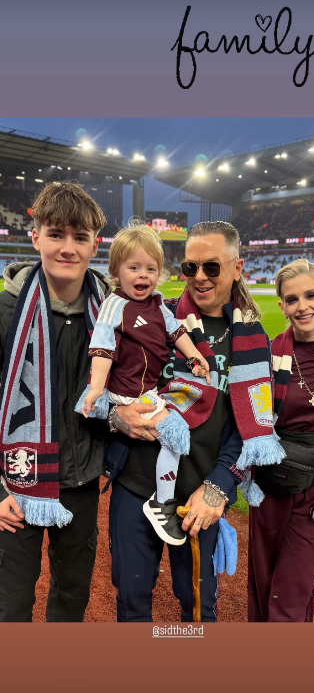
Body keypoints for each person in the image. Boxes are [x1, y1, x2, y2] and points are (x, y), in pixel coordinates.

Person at [107, 221, 284, 622]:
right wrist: (116, 417)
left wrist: (219, 488)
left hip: (199, 498)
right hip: (136, 485)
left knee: (198, 607)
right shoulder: (154, 317)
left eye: (212, 267)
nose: (199, 278)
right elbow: (106, 389)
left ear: (237, 268)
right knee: (131, 600)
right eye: (190, 268)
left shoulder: (254, 341)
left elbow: (252, 426)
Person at [0, 182, 110, 621]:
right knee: (11, 604)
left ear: (94, 244)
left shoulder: (112, 315)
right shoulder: (7, 312)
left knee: (71, 600)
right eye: (56, 234)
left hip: (82, 486)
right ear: (35, 237)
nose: (68, 247)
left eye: (80, 237)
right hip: (16, 485)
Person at [76, 221, 210, 545]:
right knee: (174, 432)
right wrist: (96, 388)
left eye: (150, 268)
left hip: (147, 393)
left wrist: (194, 357)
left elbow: (177, 332)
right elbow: (103, 349)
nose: (143, 275)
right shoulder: (114, 306)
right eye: (134, 267)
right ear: (116, 270)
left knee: (169, 434)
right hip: (121, 395)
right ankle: (161, 501)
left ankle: (158, 496)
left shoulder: (157, 304)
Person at [246, 259, 314, 622]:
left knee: (295, 584)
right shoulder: (265, 353)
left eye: (310, 295)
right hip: (270, 481)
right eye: (292, 299)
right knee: (263, 577)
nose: (302, 306)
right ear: (282, 307)